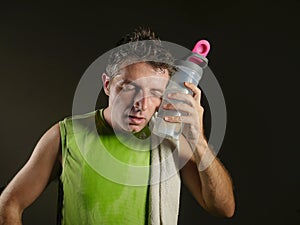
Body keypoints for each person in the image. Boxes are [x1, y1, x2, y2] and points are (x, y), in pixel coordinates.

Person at [0, 27, 235, 225]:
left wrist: (199, 141)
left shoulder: (170, 141)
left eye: (154, 93)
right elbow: (9, 203)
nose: (140, 104)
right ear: (107, 84)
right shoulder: (65, 136)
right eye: (129, 87)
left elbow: (223, 209)